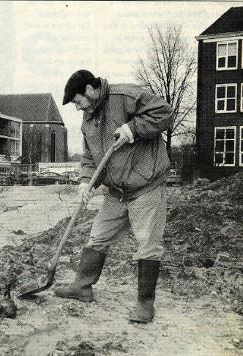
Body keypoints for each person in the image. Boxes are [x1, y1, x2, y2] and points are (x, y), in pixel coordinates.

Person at [54, 69, 174, 323]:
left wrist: (133, 128)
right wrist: (86, 182)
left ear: (89, 89)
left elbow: (164, 112)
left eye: (77, 101)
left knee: (147, 244)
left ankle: (144, 305)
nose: (77, 108)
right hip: (116, 192)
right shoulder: (88, 119)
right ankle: (82, 287)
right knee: (97, 236)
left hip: (146, 186)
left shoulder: (125, 96)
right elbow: (89, 157)